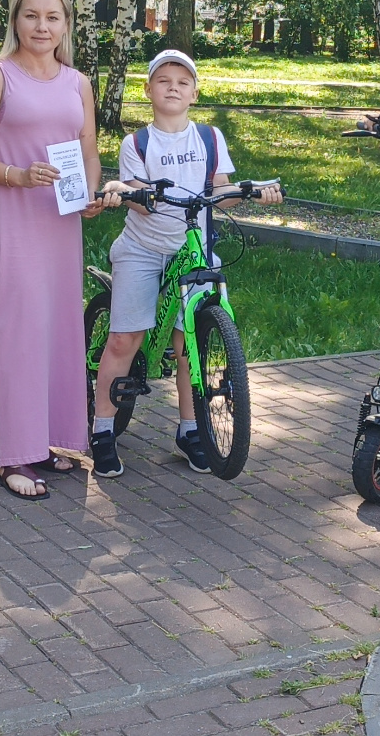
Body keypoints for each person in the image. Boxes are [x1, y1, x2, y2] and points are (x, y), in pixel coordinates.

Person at [93, 49, 282, 477]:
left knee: (188, 344)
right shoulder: (137, 143)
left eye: (183, 82)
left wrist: (253, 192)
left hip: (195, 248)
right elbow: (137, 196)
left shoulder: (210, 138)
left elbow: (221, 191)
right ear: (148, 90)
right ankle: (102, 430)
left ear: (195, 93)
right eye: (163, 81)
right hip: (143, 248)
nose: (173, 88)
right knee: (124, 340)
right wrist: (127, 190)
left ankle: (190, 429)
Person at [0, 0, 104, 501]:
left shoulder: (78, 82)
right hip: (16, 216)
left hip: (62, 221)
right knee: (20, 328)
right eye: (31, 16)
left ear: (66, 25)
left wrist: (90, 193)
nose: (42, 26)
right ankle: (15, 455)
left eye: (52, 17)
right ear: (15, 20)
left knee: (60, 327)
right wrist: (17, 176)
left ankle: (53, 441)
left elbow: (88, 148)